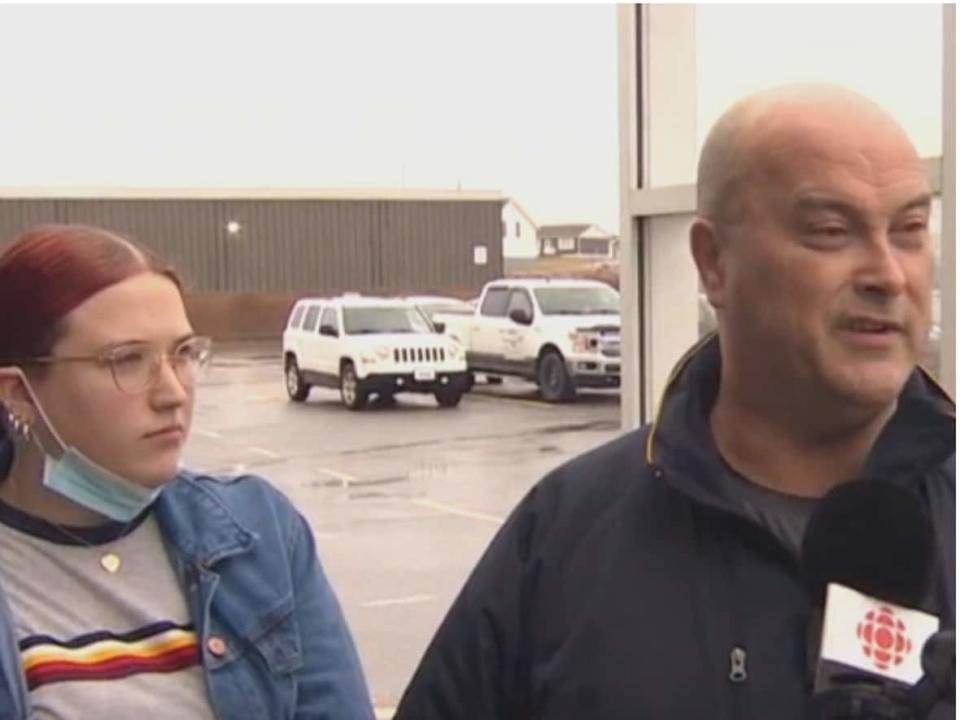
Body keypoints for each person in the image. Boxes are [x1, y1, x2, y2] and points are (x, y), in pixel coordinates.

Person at [394, 85, 955, 719]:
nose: (889, 273)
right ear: (713, 263)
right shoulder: (565, 535)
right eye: (831, 231)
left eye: (909, 230)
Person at [0, 224, 375, 719]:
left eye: (183, 354)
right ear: (19, 394)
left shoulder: (258, 535)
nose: (173, 392)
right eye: (127, 360)